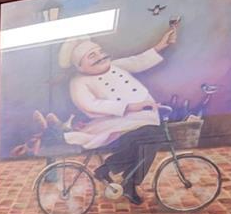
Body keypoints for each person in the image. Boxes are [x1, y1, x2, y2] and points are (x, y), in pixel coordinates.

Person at [59, 23, 179, 204]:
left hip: (142, 117)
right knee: (151, 137)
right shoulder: (79, 82)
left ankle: (125, 180)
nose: (101, 56)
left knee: (151, 140)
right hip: (113, 123)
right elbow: (90, 105)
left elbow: (138, 61)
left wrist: (162, 45)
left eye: (100, 51)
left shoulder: (116, 65)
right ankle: (112, 171)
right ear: (80, 66)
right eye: (92, 56)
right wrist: (130, 107)